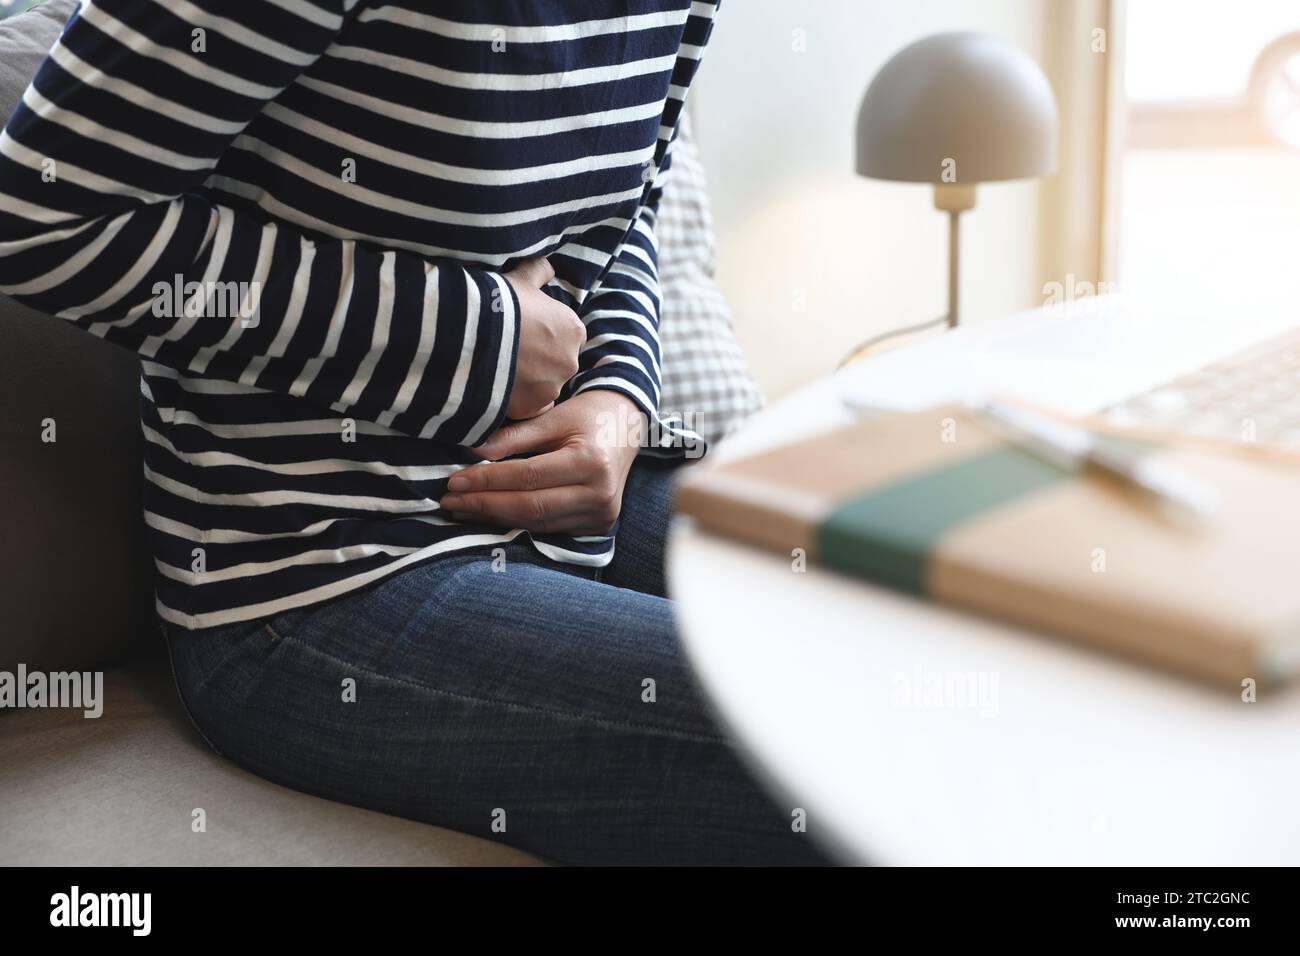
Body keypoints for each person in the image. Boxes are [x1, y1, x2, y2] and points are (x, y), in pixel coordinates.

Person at [0, 0, 827, 865]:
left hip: (575, 500)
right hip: (321, 572)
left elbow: (631, 203)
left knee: (933, 631)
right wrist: (480, 341)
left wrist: (620, 395)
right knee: (851, 743)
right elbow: (37, 216)